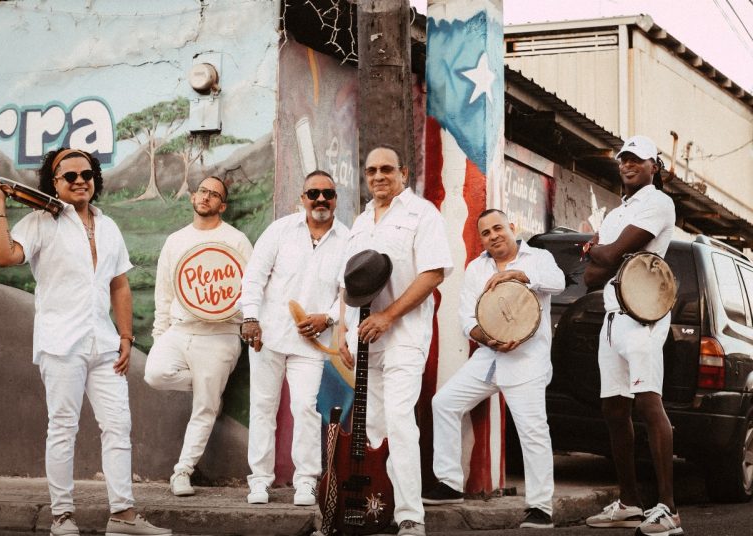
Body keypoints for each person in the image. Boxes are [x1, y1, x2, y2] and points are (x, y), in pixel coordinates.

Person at [0, 148, 170, 536]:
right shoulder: (39, 222)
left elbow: (119, 284)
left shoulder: (108, 226)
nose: (80, 180)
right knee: (63, 427)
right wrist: (0, 204)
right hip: (60, 342)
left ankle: (122, 515)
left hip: (103, 344)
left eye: (87, 173)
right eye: (69, 176)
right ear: (54, 183)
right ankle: (62, 516)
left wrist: (125, 336)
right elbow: (2, 256)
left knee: (119, 426)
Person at [421, 209, 565, 529]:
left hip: (527, 360)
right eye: (486, 233)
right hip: (489, 358)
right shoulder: (476, 267)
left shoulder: (538, 257)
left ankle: (541, 507)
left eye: (498, 228)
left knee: (532, 431)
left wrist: (519, 275)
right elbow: (467, 319)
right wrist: (485, 337)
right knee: (444, 403)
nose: (493, 236)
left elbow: (558, 282)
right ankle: (449, 484)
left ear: (512, 228)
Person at [338, 145, 453, 536]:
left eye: (387, 169)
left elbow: (433, 273)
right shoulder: (359, 220)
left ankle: (410, 516)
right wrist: (341, 328)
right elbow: (347, 281)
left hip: (404, 336)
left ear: (403, 172)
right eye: (371, 170)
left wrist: (389, 316)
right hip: (366, 341)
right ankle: (377, 508)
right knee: (372, 428)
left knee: (401, 421)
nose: (378, 176)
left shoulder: (422, 214)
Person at [582, 135, 680, 536]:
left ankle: (669, 509)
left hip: (642, 313)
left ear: (654, 166)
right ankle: (630, 502)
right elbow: (593, 274)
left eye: (637, 160)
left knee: (647, 402)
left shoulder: (657, 202)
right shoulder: (616, 211)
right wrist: (601, 252)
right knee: (614, 409)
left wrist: (598, 250)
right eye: (623, 159)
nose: (627, 165)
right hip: (611, 315)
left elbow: (612, 253)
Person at [239, 170, 350, 506]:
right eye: (313, 193)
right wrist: (250, 318)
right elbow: (254, 277)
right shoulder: (280, 230)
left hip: (311, 343)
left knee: (305, 408)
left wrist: (327, 318)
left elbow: (349, 293)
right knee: (262, 407)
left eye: (327, 194)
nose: (320, 200)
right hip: (268, 336)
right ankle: (259, 481)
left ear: (335, 199)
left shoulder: (348, 239)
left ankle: (306, 481)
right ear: (302, 198)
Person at [143, 176, 253, 497]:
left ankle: (182, 472)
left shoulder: (237, 241)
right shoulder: (175, 240)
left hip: (219, 335)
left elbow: (251, 290)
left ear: (223, 205)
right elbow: (163, 294)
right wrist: (160, 335)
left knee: (203, 408)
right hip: (180, 330)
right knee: (154, 373)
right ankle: (208, 387)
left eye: (214, 194)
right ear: (193, 196)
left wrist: (243, 320)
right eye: (203, 191)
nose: (206, 197)